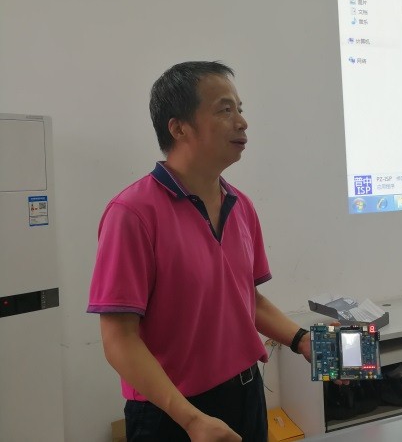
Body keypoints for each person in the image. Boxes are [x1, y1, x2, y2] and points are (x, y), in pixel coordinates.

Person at [87, 61, 312, 442]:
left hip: (246, 395)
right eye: (225, 110)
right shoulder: (132, 213)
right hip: (172, 413)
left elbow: (247, 299)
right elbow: (119, 339)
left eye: (240, 109)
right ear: (179, 128)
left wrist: (302, 339)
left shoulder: (240, 205)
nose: (242, 122)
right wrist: (191, 419)